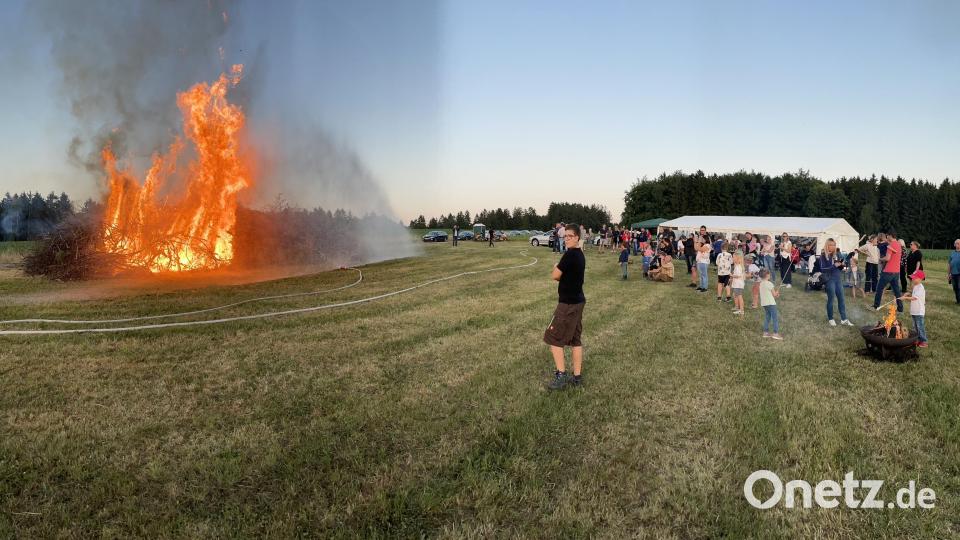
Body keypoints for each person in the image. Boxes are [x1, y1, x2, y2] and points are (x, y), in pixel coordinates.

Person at [544, 224, 586, 390]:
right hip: (578, 302)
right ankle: (577, 377)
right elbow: (569, 276)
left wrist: (555, 267)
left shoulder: (569, 255)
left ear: (577, 237)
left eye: (570, 236)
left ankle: (561, 374)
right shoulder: (580, 255)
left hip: (568, 304)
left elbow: (555, 276)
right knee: (575, 340)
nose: (567, 238)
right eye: (565, 236)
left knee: (553, 337)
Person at [820, 238, 854, 327]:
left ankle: (844, 319)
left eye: (834, 245)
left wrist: (843, 265)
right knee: (831, 299)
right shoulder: (823, 256)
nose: (833, 246)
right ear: (827, 246)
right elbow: (822, 269)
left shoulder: (837, 254)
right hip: (829, 280)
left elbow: (842, 267)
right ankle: (831, 318)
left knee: (841, 299)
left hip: (838, 279)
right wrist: (834, 265)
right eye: (831, 245)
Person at [873, 230, 903, 312]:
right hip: (896, 271)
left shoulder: (891, 245)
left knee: (879, 288)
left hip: (888, 271)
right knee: (897, 291)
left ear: (890, 236)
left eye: (887, 236)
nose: (886, 237)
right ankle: (900, 308)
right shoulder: (898, 244)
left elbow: (887, 258)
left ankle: (876, 306)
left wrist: (880, 259)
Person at [899, 269, 927, 348]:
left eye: (914, 278)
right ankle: (917, 339)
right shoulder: (916, 286)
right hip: (914, 311)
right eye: (912, 278)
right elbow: (914, 294)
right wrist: (909, 293)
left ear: (920, 279)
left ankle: (924, 341)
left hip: (919, 311)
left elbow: (915, 298)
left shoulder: (921, 288)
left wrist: (905, 298)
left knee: (920, 326)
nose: (913, 279)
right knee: (915, 326)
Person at [759, 269, 783, 340]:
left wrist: (775, 294)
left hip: (764, 303)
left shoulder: (761, 283)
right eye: (769, 274)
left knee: (768, 316)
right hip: (771, 303)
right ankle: (775, 333)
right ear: (767, 275)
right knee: (775, 318)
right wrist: (777, 293)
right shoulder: (769, 284)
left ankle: (765, 332)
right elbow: (774, 295)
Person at [950, 239, 960, 305]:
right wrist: (949, 274)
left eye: (958, 243)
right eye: (956, 243)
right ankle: (958, 300)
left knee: (959, 287)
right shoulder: (952, 253)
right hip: (953, 273)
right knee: (955, 288)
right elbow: (949, 264)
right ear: (954, 245)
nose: (957, 244)